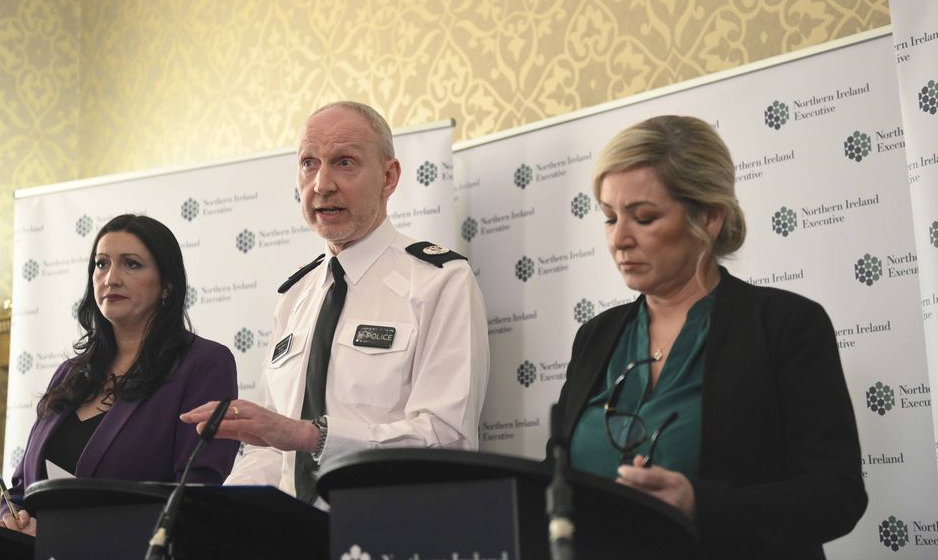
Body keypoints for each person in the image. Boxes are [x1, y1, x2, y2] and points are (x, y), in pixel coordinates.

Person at [553, 116, 866, 558]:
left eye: (644, 217)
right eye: (609, 218)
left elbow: (837, 495)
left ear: (709, 217)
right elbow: (557, 481)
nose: (619, 239)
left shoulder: (786, 325)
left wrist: (701, 503)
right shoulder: (595, 337)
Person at [182, 101, 489, 502]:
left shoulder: (440, 282)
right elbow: (272, 450)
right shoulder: (294, 298)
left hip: (389, 529)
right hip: (290, 536)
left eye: (344, 162)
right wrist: (218, 512)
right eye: (309, 163)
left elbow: (447, 438)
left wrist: (313, 436)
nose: (322, 184)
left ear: (389, 177)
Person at [0, 214, 239, 536]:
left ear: (167, 285)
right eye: (101, 264)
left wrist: (65, 533)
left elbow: (194, 496)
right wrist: (16, 517)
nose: (111, 278)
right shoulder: (71, 373)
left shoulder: (204, 364)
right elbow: (20, 486)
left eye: (132, 264)